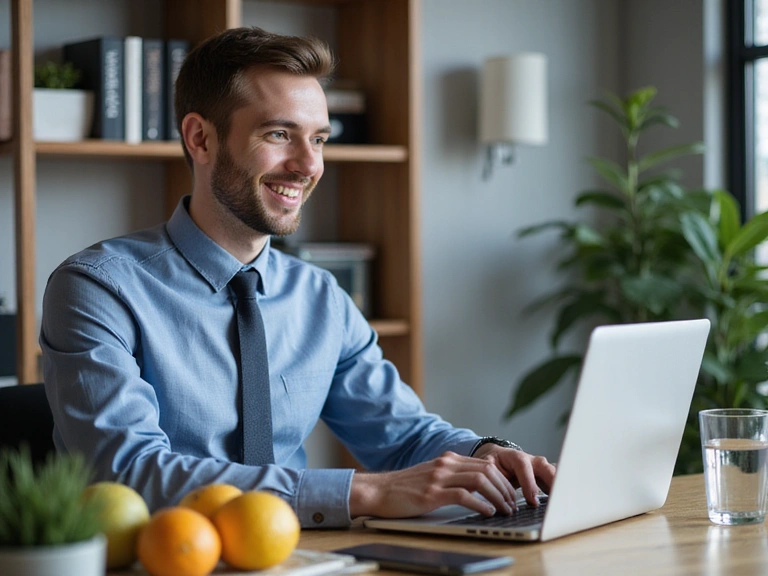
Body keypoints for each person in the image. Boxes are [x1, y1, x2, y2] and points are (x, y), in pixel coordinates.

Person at [40, 26, 555, 528]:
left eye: (320, 139)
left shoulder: (320, 296)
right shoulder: (96, 289)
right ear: (200, 138)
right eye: (279, 134)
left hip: (304, 559)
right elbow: (129, 472)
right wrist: (366, 492)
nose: (308, 165)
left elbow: (402, 436)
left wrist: (487, 454)